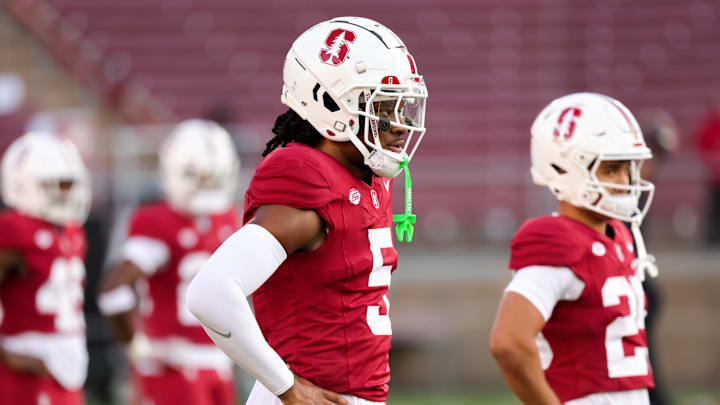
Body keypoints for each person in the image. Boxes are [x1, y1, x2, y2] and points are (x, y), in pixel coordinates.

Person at [186, 16, 428, 405]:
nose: (400, 125)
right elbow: (210, 292)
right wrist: (288, 388)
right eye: (385, 107)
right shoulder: (307, 176)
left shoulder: (368, 174)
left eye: (404, 107)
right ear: (331, 102)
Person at [490, 92, 657, 404]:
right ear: (565, 169)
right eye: (610, 169)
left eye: (627, 168)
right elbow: (509, 342)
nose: (624, 180)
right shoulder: (559, 240)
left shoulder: (617, 233)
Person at [98, 119, 240, 405]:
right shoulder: (161, 221)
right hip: (174, 362)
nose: (207, 185)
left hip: (217, 360)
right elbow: (113, 290)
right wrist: (138, 347)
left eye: (212, 177)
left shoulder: (226, 217)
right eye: (199, 176)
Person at [0, 132, 92, 405]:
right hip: (27, 368)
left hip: (66, 365)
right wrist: (5, 354)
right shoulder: (15, 229)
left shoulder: (72, 231)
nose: (66, 193)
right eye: (56, 185)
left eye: (69, 185)